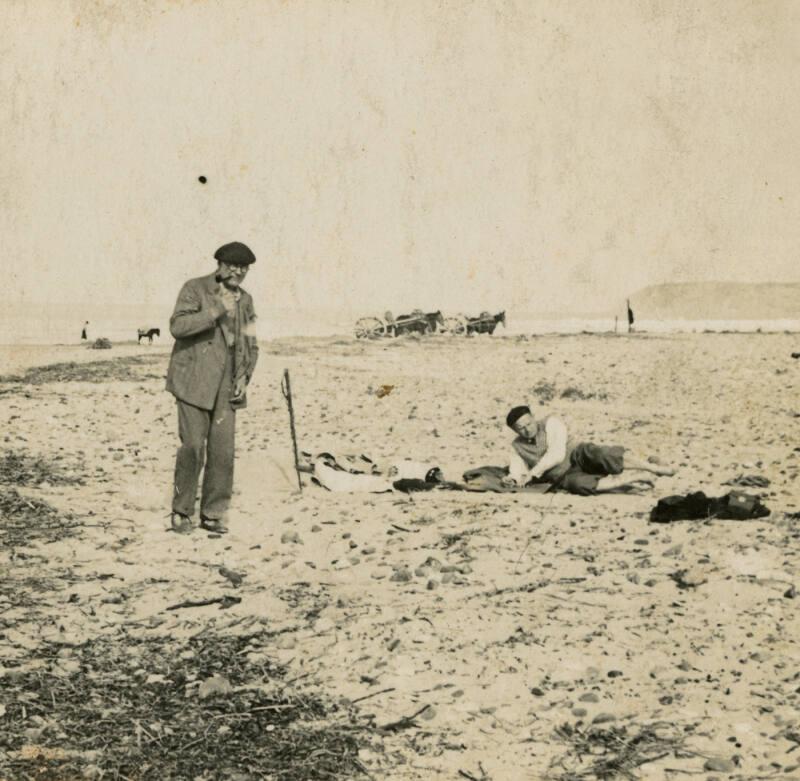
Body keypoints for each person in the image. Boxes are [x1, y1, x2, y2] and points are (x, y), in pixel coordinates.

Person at [165, 242, 259, 534]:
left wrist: (244, 377)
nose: (238, 272)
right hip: (193, 379)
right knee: (193, 447)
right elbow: (177, 327)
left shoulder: (247, 300)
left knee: (222, 452)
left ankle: (213, 514)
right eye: (233, 266)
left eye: (243, 268)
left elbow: (251, 342)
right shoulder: (194, 288)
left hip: (227, 383)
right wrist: (217, 309)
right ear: (219, 264)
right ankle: (181, 512)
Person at [502, 405, 674, 495]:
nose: (527, 429)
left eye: (528, 423)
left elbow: (557, 454)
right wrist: (513, 478)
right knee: (579, 485)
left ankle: (653, 468)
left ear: (533, 417)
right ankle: (634, 479)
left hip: (578, 455)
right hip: (562, 475)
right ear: (515, 431)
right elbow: (517, 470)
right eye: (521, 428)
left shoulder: (551, 422)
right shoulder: (516, 446)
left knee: (602, 454)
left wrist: (533, 473)